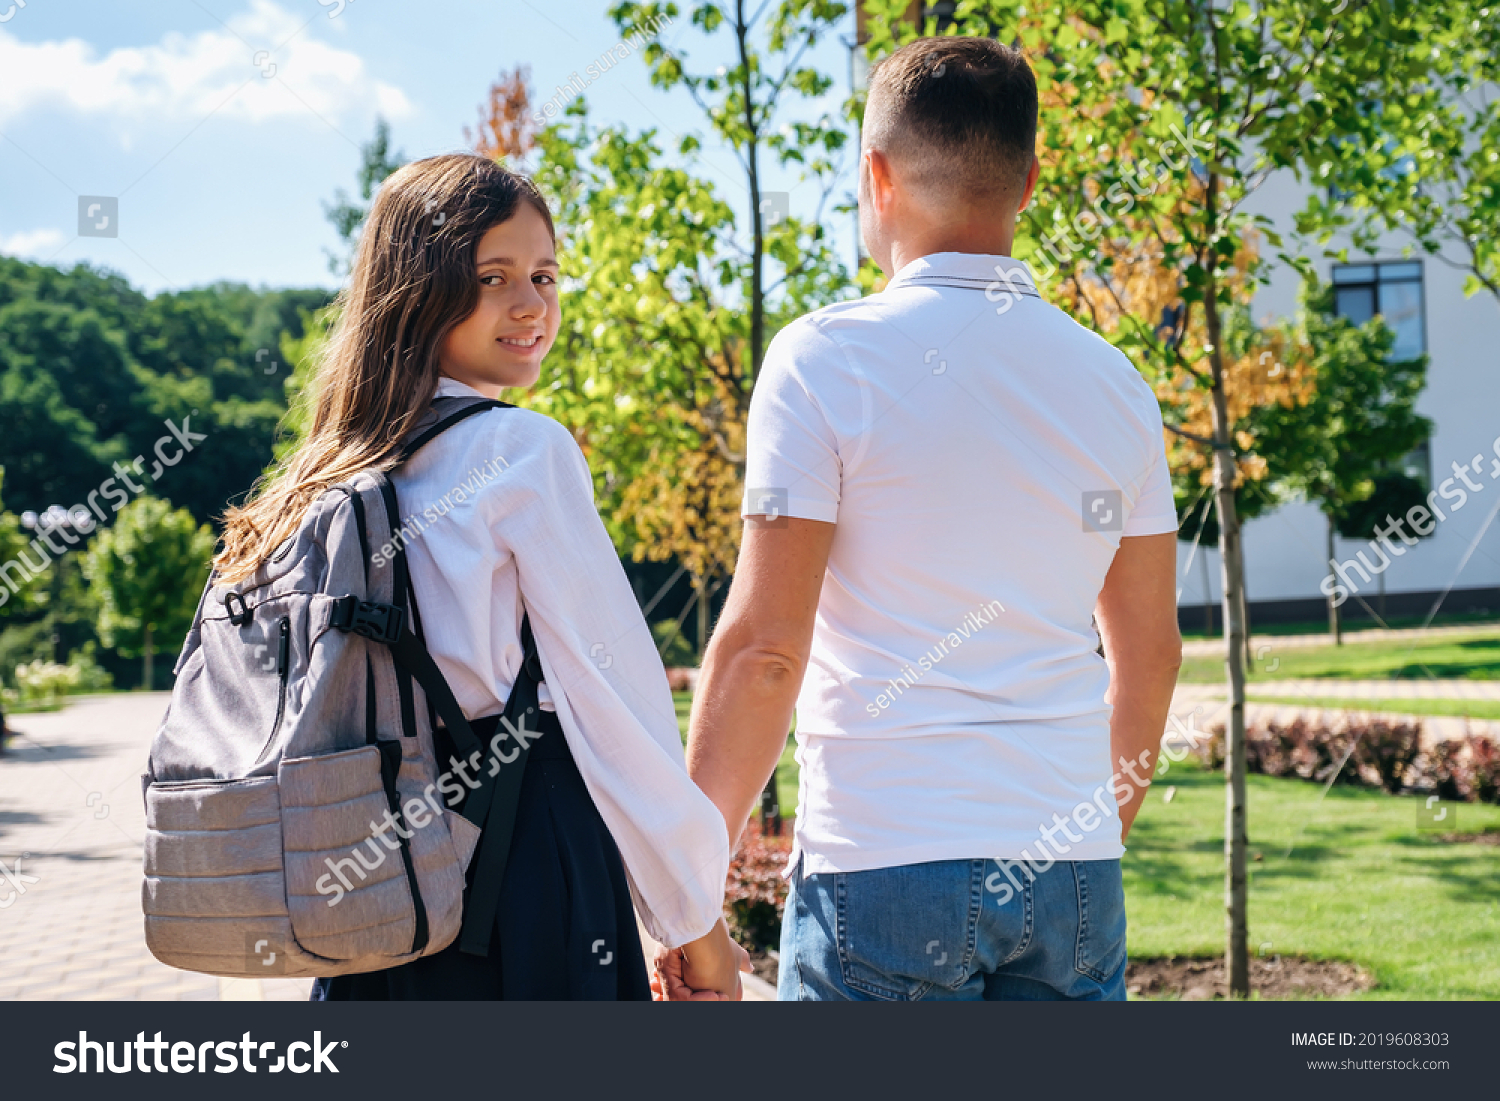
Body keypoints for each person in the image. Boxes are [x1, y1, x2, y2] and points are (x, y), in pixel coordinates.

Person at [659, 36, 1182, 1001]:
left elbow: (767, 651)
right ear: (1028, 179)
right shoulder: (1119, 388)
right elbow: (1148, 653)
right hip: (1072, 872)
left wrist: (685, 900)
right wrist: (1088, 826)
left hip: (884, 863)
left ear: (876, 175)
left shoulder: (822, 363)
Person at [211, 153, 748, 1000]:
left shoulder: (320, 479)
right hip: (524, 867)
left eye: (544, 274)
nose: (531, 304)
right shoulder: (522, 451)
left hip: (375, 882)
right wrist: (693, 921)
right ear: (418, 291)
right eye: (492, 277)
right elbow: (616, 706)